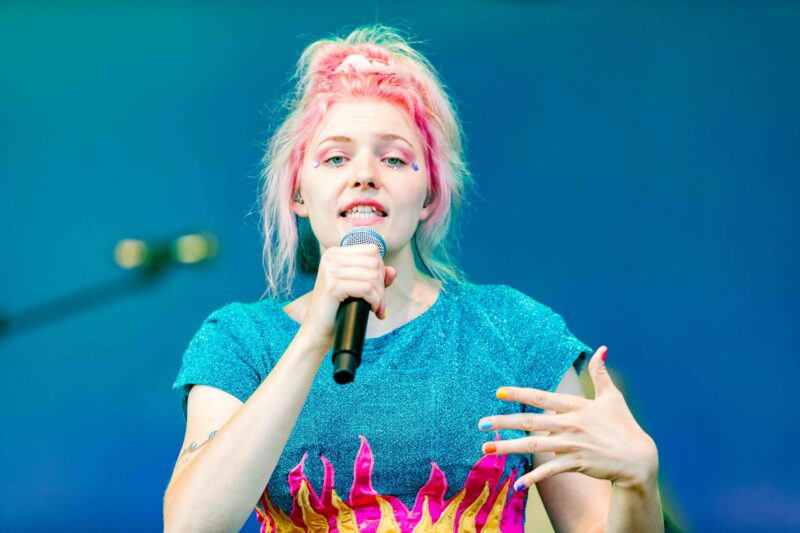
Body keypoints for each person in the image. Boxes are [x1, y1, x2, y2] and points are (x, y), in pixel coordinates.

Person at [163, 25, 663, 532]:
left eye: (394, 158)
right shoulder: (241, 342)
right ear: (298, 193)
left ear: (428, 194)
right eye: (335, 158)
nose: (364, 175)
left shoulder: (514, 331)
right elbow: (189, 525)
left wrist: (638, 481)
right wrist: (313, 338)